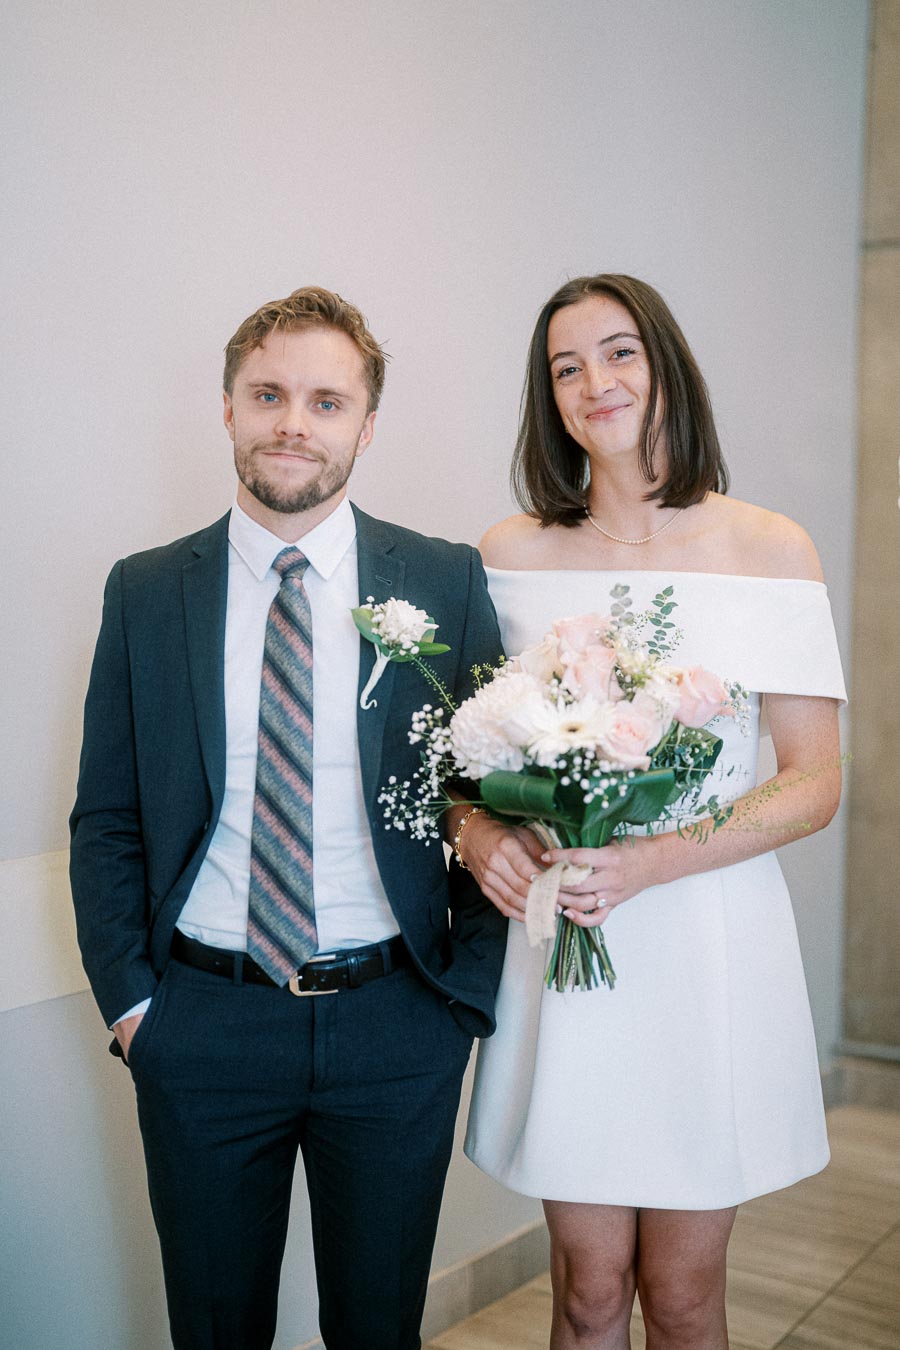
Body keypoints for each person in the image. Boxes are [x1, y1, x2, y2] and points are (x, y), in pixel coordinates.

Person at [69, 285, 506, 1350]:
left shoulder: (444, 582)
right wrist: (135, 1006)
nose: (292, 424)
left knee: (377, 1329)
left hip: (398, 1024)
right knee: (215, 1330)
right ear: (227, 408)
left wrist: (464, 999)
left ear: (364, 424)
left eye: (325, 400)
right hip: (204, 1023)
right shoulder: (145, 591)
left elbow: (491, 795)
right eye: (267, 394)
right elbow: (109, 818)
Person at [450, 274, 845, 1349]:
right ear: (551, 400)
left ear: (665, 363)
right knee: (585, 1288)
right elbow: (466, 763)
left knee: (680, 1297)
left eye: (618, 352)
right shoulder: (509, 554)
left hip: (707, 944)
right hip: (570, 946)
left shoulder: (772, 549)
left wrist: (655, 862)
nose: (596, 383)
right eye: (566, 367)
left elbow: (813, 780)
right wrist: (484, 832)